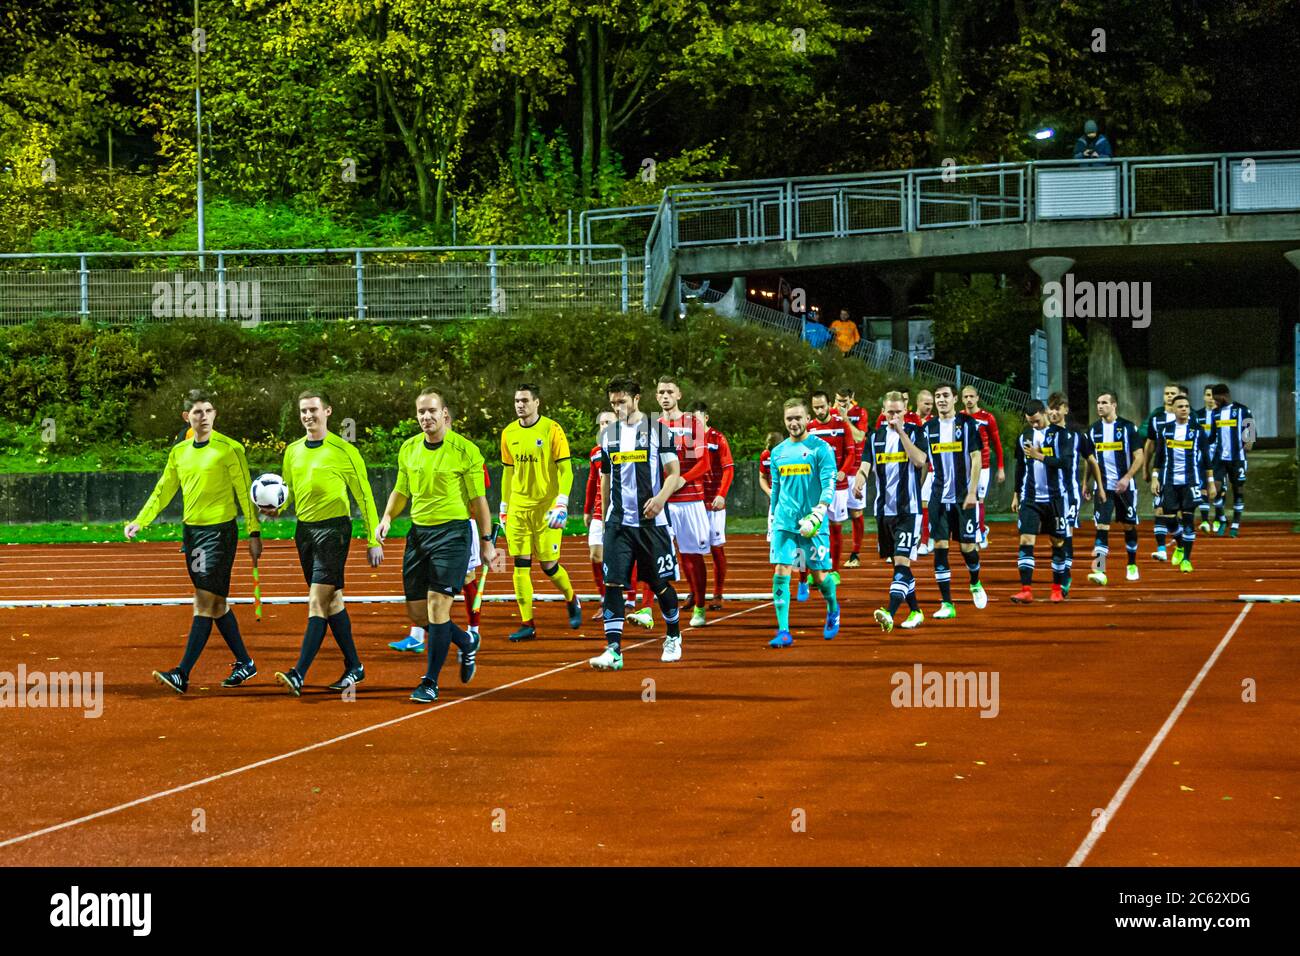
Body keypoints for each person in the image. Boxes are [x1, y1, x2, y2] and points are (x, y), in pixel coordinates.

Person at [126, 391, 262, 694]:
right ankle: (245, 662)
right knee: (216, 604)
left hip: (219, 535)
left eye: (209, 410)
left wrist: (254, 532)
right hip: (192, 535)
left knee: (203, 603)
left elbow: (244, 492)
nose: (204, 416)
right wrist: (141, 520)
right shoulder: (180, 452)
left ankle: (182, 673)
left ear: (215, 414)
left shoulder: (231, 449)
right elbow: (164, 489)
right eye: (197, 412)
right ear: (187, 417)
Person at [377, 387, 501, 703]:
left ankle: (430, 681)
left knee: (437, 607)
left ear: (445, 413)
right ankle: (465, 641)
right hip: (419, 535)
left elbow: (479, 501)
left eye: (432, 411)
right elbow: (401, 491)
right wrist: (388, 517)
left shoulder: (466, 451)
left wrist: (487, 542)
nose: (426, 417)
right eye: (421, 412)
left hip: (453, 535)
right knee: (419, 615)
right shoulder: (409, 449)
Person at [269, 390, 384, 696]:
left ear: (328, 411)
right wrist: (275, 507)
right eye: (303, 411)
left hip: (335, 530)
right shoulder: (292, 451)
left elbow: (364, 496)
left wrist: (373, 538)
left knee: (317, 600)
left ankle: (299, 673)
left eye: (313, 410)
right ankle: (355, 666)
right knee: (333, 601)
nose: (308, 416)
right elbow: (288, 491)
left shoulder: (344, 451)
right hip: (304, 531)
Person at [590, 378, 685, 670]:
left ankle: (673, 635)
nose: (618, 407)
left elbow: (674, 472)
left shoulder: (658, 430)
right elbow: (606, 478)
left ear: (636, 399)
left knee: (658, 583)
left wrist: (660, 499)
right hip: (619, 523)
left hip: (650, 523)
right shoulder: (608, 436)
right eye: (613, 403)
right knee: (613, 584)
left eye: (622, 401)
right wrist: (606, 518)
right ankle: (614, 649)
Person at [499, 383, 582, 642]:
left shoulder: (552, 429)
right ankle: (527, 623)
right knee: (520, 566)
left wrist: (562, 502)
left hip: (547, 509)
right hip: (519, 509)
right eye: (516, 400)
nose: (519, 405)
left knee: (549, 566)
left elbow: (565, 470)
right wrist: (504, 506)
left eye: (524, 400)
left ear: (537, 403)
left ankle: (572, 598)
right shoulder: (508, 433)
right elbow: (507, 471)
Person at [767, 398, 841, 647]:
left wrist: (820, 511)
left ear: (808, 419)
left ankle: (832, 607)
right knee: (781, 570)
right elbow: (776, 488)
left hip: (814, 523)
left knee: (820, 577)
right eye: (789, 418)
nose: (794, 422)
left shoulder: (821, 449)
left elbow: (829, 482)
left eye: (798, 417)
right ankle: (783, 630)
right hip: (784, 522)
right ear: (784, 420)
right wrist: (772, 517)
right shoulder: (778, 452)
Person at [856, 391, 928, 632]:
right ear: (883, 412)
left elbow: (920, 461)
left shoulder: (917, 432)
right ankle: (916, 611)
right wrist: (859, 480)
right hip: (883, 509)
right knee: (900, 566)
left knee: (900, 561)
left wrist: (902, 433)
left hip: (909, 509)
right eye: (890, 412)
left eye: (898, 412)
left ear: (905, 412)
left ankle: (890, 611)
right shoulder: (874, 437)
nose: (894, 416)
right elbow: (866, 465)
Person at [585, 410, 655, 629]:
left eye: (609, 421)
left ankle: (631, 599)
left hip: (626, 509)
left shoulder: (633, 446)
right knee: (596, 556)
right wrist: (588, 509)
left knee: (633, 556)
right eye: (601, 422)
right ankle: (605, 598)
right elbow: (593, 481)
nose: (605, 425)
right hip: (600, 510)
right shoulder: (597, 452)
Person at [922, 383, 987, 618]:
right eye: (937, 396)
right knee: (940, 547)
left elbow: (976, 458)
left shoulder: (968, 425)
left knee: (967, 548)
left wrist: (972, 492)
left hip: (963, 497)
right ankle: (947, 604)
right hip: (939, 496)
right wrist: (920, 491)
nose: (941, 400)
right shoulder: (928, 428)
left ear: (955, 399)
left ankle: (975, 582)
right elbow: (923, 462)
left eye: (945, 396)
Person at [656, 377, 713, 627]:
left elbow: (704, 462)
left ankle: (700, 605)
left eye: (670, 391)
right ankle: (652, 608)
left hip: (689, 501)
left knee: (692, 556)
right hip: (661, 502)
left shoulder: (691, 423)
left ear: (679, 394)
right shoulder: (652, 426)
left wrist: (682, 478)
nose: (665, 396)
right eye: (661, 392)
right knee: (656, 556)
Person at [1009, 399, 1074, 605]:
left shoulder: (1061, 435)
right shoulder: (1025, 437)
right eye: (1030, 422)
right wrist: (1016, 492)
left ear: (1045, 412)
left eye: (1037, 421)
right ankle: (1026, 590)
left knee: (1057, 542)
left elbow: (1065, 463)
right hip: (1031, 499)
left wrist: (1040, 456)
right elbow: (1020, 466)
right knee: (1026, 541)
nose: (1034, 425)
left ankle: (1057, 588)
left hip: (1055, 498)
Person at [1150, 394, 1216, 572]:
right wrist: (1155, 477)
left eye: (1187, 406)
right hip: (1169, 481)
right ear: (1173, 409)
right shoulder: (1165, 430)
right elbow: (1159, 456)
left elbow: (1207, 459)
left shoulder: (1197, 430)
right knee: (1169, 518)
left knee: (1188, 519)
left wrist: (1209, 483)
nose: (1184, 409)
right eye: (1180, 406)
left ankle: (1186, 559)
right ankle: (1179, 544)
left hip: (1191, 481)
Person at [1085, 391, 1144, 585]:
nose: (1099, 406)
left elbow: (1139, 456)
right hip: (1103, 488)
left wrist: (1127, 478)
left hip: (1125, 488)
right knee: (1101, 528)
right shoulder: (1093, 430)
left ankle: (1132, 564)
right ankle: (1100, 571)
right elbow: (1090, 460)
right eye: (1098, 402)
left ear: (1114, 405)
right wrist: (1086, 482)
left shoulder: (1128, 428)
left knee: (1129, 526)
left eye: (1104, 403)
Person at [1046, 392, 1099, 596]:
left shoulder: (1077, 434)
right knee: (1054, 537)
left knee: (1066, 532)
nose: (1053, 412)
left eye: (1057, 407)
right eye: (1050, 408)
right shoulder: (1044, 433)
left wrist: (1096, 486)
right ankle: (1063, 571)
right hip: (1047, 494)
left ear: (1066, 409)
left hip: (1069, 493)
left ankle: (1070, 573)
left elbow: (1091, 460)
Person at [689, 401, 734, 609]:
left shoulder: (717, 438)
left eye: (697, 418)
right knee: (691, 551)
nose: (694, 423)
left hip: (713, 504)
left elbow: (728, 468)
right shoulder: (689, 440)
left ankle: (718, 594)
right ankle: (694, 592)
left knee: (716, 549)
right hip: (694, 502)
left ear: (706, 418)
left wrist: (722, 494)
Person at [807, 391, 856, 571]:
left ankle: (834, 571)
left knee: (836, 529)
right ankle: (817, 569)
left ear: (829, 404)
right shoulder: (809, 428)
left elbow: (850, 452)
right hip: (816, 488)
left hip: (838, 487)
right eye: (816, 407)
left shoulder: (842, 424)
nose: (819, 410)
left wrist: (843, 471)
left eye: (822, 406)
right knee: (815, 530)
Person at [1142, 382, 1184, 562]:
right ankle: (1161, 549)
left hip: (1182, 473)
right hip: (1161, 471)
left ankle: (1181, 544)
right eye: (1166, 393)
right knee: (1159, 509)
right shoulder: (1156, 418)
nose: (1169, 396)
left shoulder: (1188, 418)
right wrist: (1146, 468)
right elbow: (1150, 444)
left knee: (1176, 514)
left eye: (1172, 393)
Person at [960, 385, 1005, 550]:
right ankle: (974, 530)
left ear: (977, 398)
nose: (969, 400)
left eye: (972, 396)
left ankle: (979, 532)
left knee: (979, 499)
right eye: (965, 397)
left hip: (983, 465)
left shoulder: (987, 417)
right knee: (966, 500)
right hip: (965, 466)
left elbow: (997, 443)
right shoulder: (959, 417)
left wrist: (1000, 467)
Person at [1209, 383, 1253, 537]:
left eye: (1216, 399)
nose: (1215, 402)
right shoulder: (1215, 413)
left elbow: (1251, 431)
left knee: (1238, 491)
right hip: (1220, 458)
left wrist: (1249, 441)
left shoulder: (1242, 410)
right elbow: (1212, 437)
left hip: (1237, 458)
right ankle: (1221, 519)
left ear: (1224, 395)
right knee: (1215, 489)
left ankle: (1235, 524)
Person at [834, 387, 871, 568]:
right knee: (834, 517)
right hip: (838, 471)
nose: (842, 404)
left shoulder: (860, 413)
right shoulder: (831, 414)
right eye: (839, 400)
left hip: (856, 470)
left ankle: (855, 554)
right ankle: (833, 557)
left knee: (856, 513)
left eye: (845, 401)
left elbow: (859, 437)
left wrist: (845, 419)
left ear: (852, 398)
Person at [1194, 386, 1218, 531]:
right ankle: (1204, 520)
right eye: (1208, 395)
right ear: (1204, 397)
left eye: (1213, 395)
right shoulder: (1197, 415)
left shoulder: (1223, 413)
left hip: (1219, 456)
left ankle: (1219, 518)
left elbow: (1248, 425)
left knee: (1219, 487)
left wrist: (1249, 440)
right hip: (1202, 456)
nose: (1211, 398)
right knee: (1203, 487)